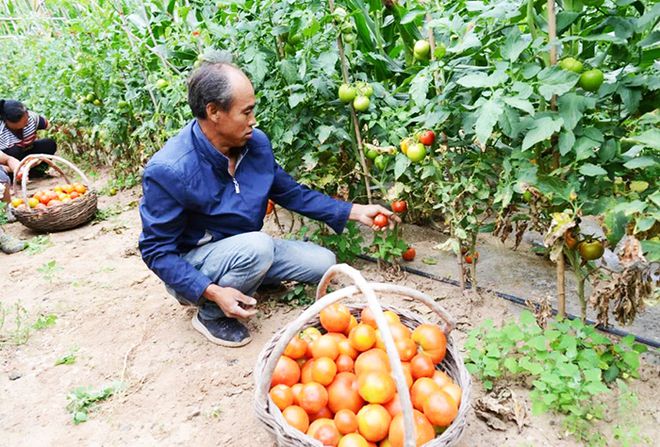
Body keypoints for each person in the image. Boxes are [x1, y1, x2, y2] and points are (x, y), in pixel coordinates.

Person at [139, 58, 397, 347]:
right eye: (246, 112)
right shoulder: (170, 169)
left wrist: (353, 211)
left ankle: (249, 275)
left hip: (247, 249)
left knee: (322, 263)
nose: (253, 120)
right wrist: (211, 291)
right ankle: (210, 315)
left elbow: (291, 193)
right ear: (214, 112)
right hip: (197, 265)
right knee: (258, 248)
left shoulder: (255, 145)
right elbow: (156, 251)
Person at [0, 99, 57, 178]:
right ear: (7, 122)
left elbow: (52, 127)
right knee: (14, 150)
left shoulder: (32, 118)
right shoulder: (1, 130)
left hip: (27, 155)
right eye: (22, 124)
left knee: (49, 144)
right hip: (8, 162)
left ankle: (35, 172)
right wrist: (13, 168)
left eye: (27, 122)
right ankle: (14, 176)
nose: (27, 124)